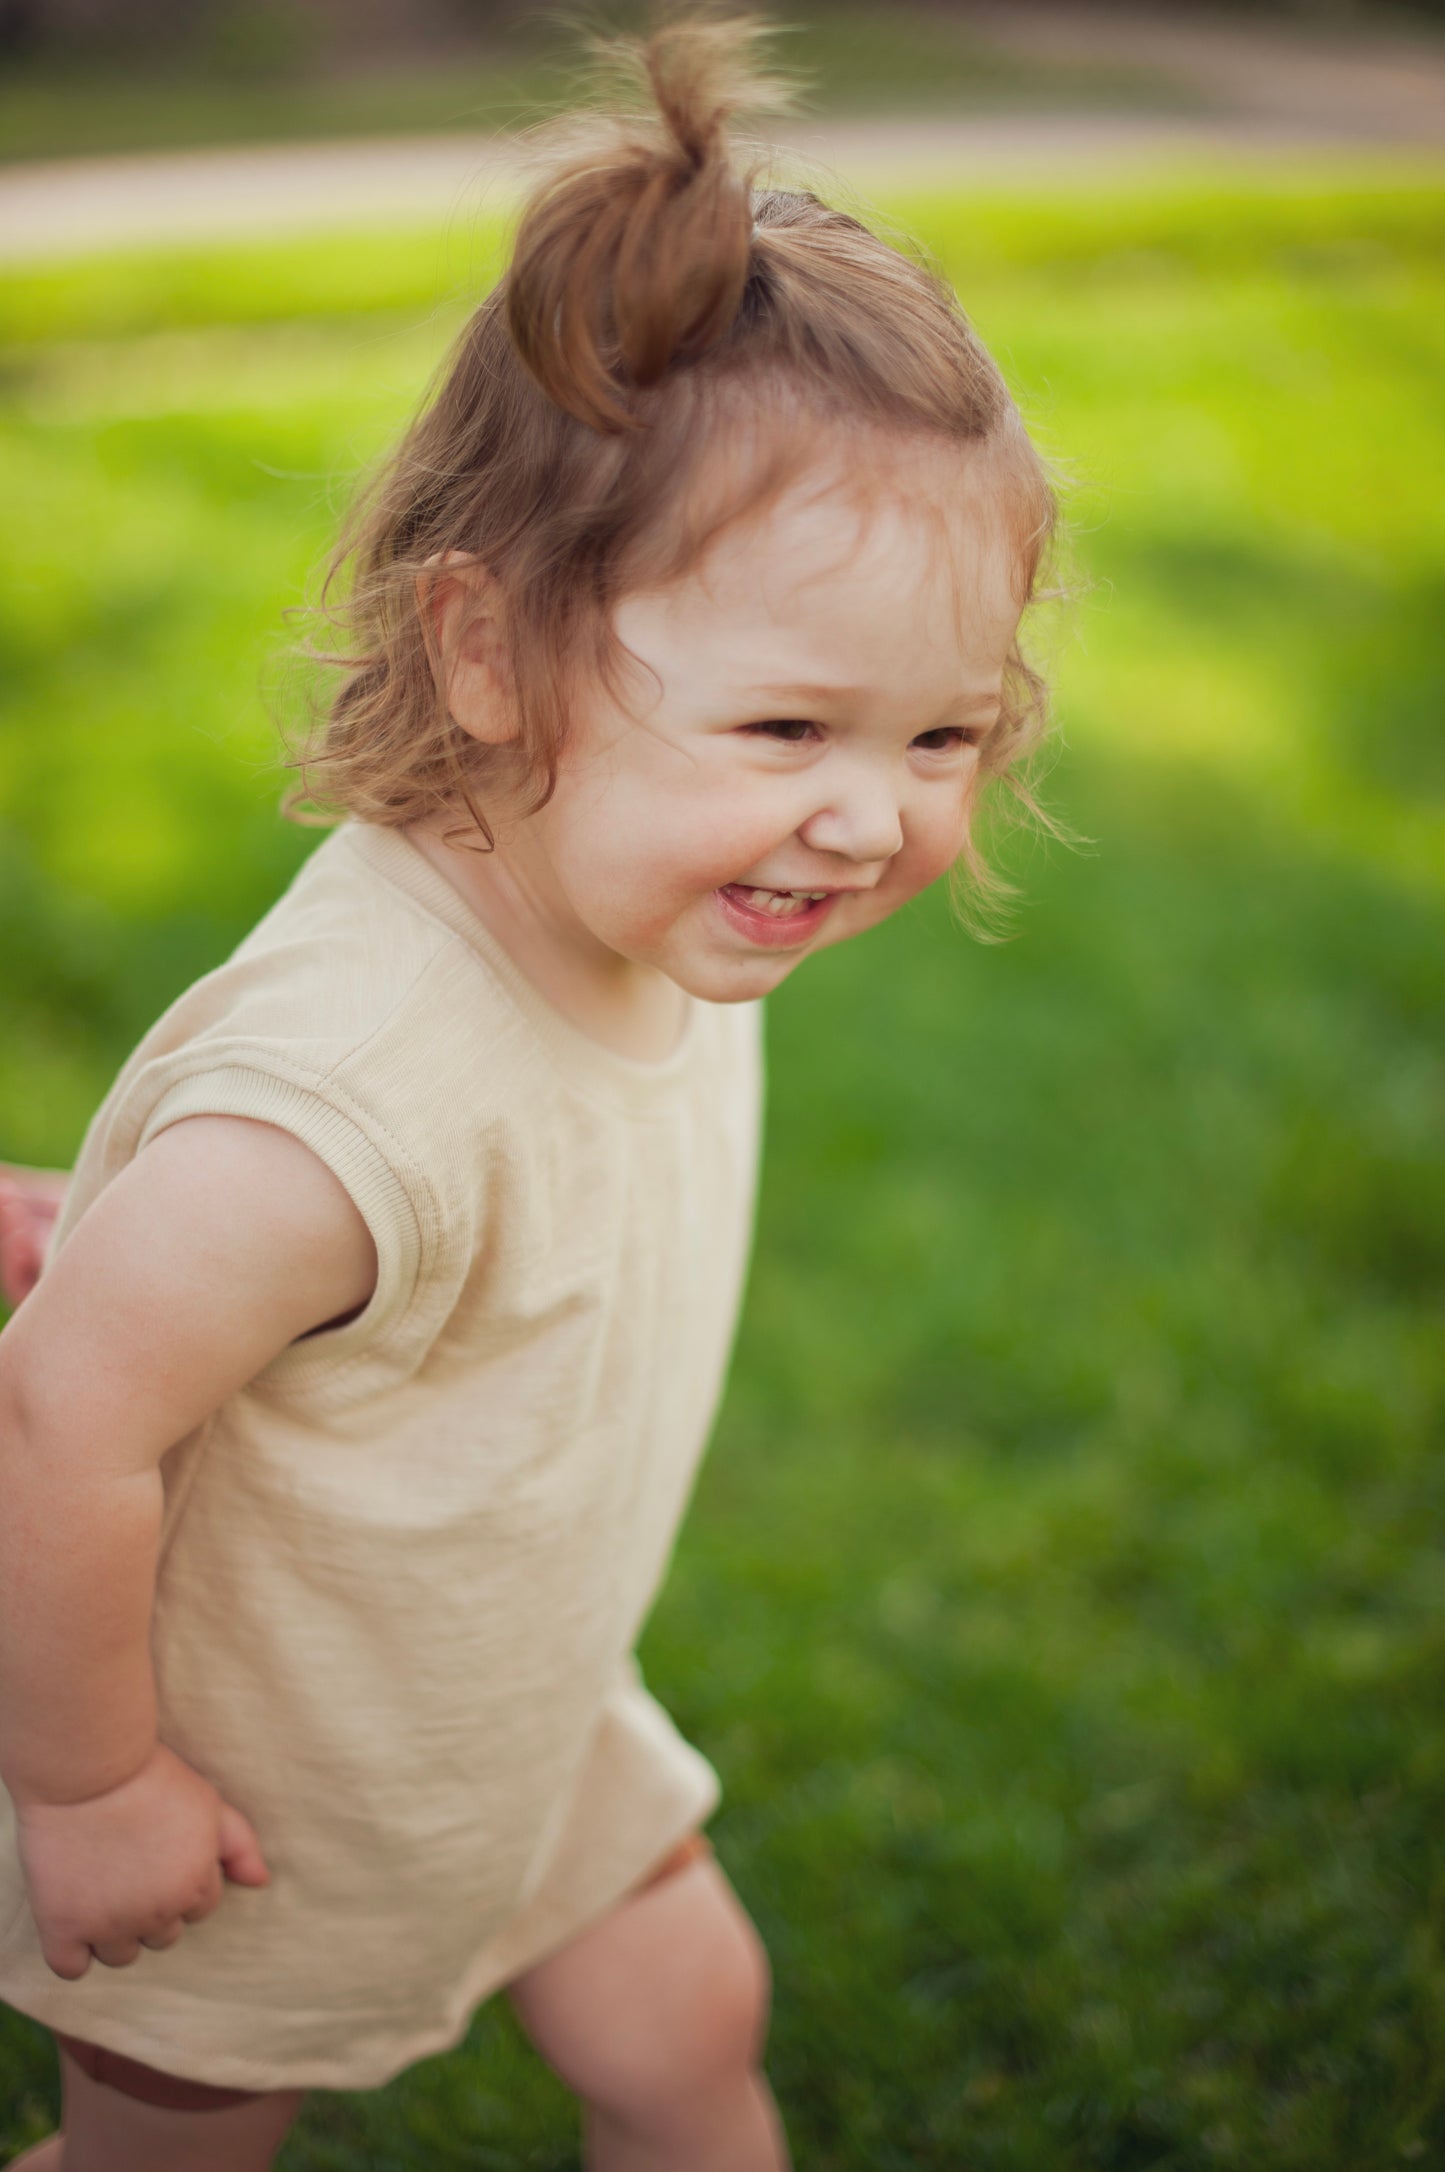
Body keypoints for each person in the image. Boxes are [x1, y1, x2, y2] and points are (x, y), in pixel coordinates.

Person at [0, 16, 1066, 2169]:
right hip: (259, 1766)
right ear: (486, 652)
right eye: (787, 732)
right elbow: (59, 1412)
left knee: (691, 2027)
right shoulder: (352, 1103)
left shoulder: (645, 906)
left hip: (506, 1697)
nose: (867, 820)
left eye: (942, 740)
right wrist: (92, 1790)